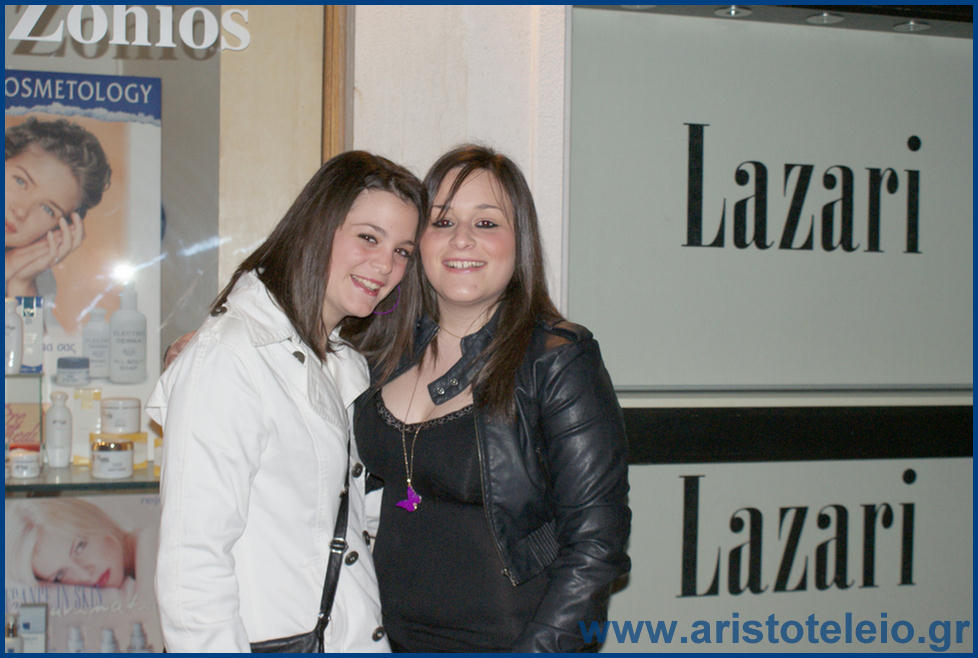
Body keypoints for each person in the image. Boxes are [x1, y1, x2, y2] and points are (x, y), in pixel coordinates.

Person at [352, 144, 631, 652]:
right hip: (377, 638)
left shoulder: (557, 360)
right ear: (419, 243)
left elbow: (596, 547)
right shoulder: (379, 349)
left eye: (486, 223)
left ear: (519, 242)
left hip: (510, 641)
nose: (462, 239)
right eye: (443, 221)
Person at [147, 151, 425, 652]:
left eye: (403, 251)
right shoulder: (230, 355)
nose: (386, 266)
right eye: (368, 237)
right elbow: (192, 562)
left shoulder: (345, 363)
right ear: (318, 226)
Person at [5, 117, 111, 299]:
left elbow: (29, 319)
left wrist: (22, 286)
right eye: (20, 181)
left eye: (48, 210)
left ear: (58, 229)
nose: (22, 212)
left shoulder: (37, 278)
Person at [5, 498, 146, 590]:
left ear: (92, 518)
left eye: (79, 547)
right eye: (59, 575)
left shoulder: (149, 544)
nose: (84, 575)